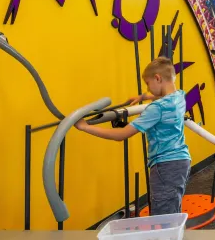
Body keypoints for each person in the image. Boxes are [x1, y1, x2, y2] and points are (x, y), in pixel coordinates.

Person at [75, 57, 191, 215]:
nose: (148, 88)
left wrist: (85, 127)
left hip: (165, 165)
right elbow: (164, 96)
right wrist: (144, 97)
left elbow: (121, 135)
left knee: (163, 216)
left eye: (148, 84)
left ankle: (169, 232)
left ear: (158, 78)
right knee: (172, 209)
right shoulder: (179, 96)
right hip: (181, 162)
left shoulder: (157, 108)